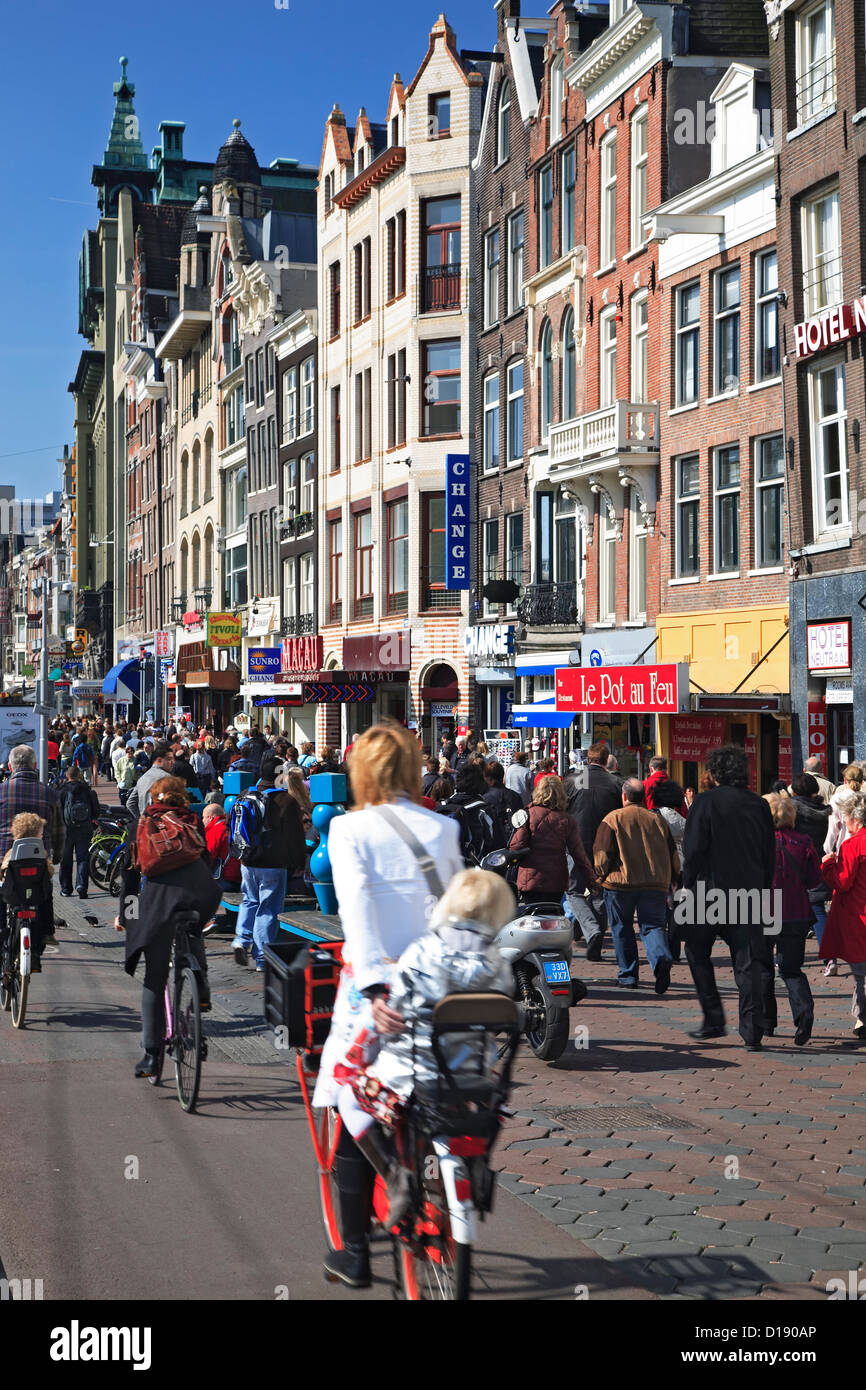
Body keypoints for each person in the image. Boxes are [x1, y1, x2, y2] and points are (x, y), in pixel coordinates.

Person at [313, 721, 464, 1289]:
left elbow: (356, 911)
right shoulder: (444, 827)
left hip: (376, 994)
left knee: (350, 1100)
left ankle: (355, 1249)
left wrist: (376, 987)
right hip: (437, 991)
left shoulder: (351, 830)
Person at [335, 869, 515, 1226]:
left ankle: (394, 1175)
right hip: (474, 1077)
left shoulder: (423, 950)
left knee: (348, 1100)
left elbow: (393, 1014)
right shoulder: (499, 961)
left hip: (411, 1078)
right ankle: (474, 1166)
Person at [119, 777, 221, 1078]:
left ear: (152, 798)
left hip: (160, 901)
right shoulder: (192, 821)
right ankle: (199, 987)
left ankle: (151, 1055)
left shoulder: (139, 824)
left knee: (155, 975)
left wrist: (127, 917)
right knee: (192, 931)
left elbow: (130, 878)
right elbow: (205, 858)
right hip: (200, 894)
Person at [681, 745, 776, 1051]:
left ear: (715, 772)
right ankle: (752, 1030)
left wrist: (686, 885)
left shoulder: (705, 802)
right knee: (749, 962)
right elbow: (768, 853)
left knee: (696, 950)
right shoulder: (759, 805)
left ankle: (713, 1017)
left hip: (708, 891)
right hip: (749, 891)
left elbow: (692, 851)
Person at [593, 779, 679, 993]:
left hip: (620, 883)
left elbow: (602, 856)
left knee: (622, 928)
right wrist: (673, 879)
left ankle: (628, 975)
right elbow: (672, 854)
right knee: (653, 926)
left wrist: (599, 876)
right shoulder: (657, 820)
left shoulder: (612, 819)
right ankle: (660, 957)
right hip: (655, 883)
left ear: (624, 796)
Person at [231, 752, 306, 970]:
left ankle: (241, 940)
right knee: (268, 908)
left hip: (248, 861)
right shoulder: (286, 801)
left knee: (249, 900)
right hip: (273, 864)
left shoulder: (245, 794)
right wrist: (298, 861)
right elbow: (295, 836)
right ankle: (262, 957)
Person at [763, 792, 820, 1046]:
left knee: (762, 967)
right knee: (791, 969)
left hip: (763, 911)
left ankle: (766, 1021)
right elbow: (814, 880)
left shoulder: (759, 842)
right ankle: (803, 1013)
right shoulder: (804, 841)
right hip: (796, 912)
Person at [0, 745, 64, 967]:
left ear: (10, 766)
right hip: (38, 861)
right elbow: (58, 830)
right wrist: (56, 856)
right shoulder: (49, 793)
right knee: (44, 893)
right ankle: (42, 939)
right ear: (35, 766)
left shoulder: (1, 791)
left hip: (4, 861)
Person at [563, 741, 621, 960]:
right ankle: (594, 930)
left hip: (576, 842)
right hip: (606, 845)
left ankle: (591, 929)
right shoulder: (615, 782)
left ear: (588, 759)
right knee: (600, 889)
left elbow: (562, 807)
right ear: (606, 760)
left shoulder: (574, 780)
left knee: (573, 890)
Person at [820, 794, 866, 1040]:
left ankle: (863, 1018)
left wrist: (828, 864)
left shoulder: (853, 845)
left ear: (855, 819)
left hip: (859, 914)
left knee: (861, 971)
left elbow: (843, 881)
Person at [509, 775, 596, 906]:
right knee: (552, 915)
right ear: (561, 794)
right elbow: (579, 855)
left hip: (530, 879)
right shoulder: (567, 820)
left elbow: (515, 847)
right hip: (557, 880)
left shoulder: (528, 815)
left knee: (532, 917)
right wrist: (592, 882)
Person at [434, 763, 498, 867]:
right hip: (473, 873)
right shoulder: (485, 810)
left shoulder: (441, 807)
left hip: (443, 870)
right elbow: (497, 847)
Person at [58, 765, 100, 899]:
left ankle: (66, 889)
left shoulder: (61, 791)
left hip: (65, 830)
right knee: (83, 859)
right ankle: (82, 886)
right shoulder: (87, 790)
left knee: (65, 860)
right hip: (84, 829)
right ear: (79, 775)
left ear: (67, 775)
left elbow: (56, 811)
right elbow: (96, 811)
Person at [125, 742, 175, 818]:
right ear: (159, 760)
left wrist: (141, 818)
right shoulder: (167, 778)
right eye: (169, 759)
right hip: (161, 824)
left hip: (145, 824)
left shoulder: (142, 778)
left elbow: (130, 803)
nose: (172, 762)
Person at [202, 802, 241, 894]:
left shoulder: (215, 831)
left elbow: (208, 856)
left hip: (224, 879)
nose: (202, 820)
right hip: (239, 877)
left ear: (210, 817)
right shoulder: (232, 826)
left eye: (203, 817)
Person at [482, 761, 523, 847]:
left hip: (493, 843)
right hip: (514, 841)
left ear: (489, 779)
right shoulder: (515, 796)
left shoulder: (485, 799)